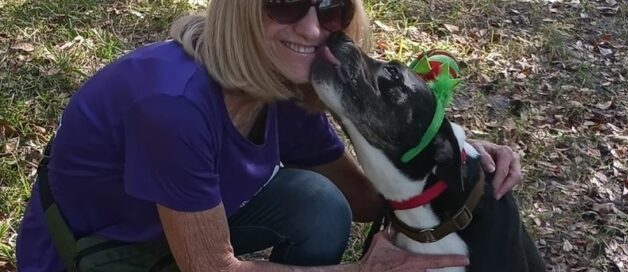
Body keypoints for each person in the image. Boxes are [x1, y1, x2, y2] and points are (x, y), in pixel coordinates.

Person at [16, 0, 523, 271]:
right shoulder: (171, 106)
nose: (309, 29)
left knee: (319, 205)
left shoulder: (284, 87)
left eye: (328, 7)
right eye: (284, 3)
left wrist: (458, 158)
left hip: (181, 234)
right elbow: (212, 271)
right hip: (99, 254)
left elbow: (369, 200)